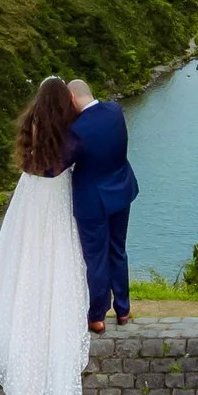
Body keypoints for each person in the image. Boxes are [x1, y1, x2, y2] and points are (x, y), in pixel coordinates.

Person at [0, 76, 92, 395]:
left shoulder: (32, 126)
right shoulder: (70, 133)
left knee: (25, 258)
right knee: (58, 258)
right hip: (55, 200)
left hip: (30, 199)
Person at [65, 77, 137, 331]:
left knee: (96, 258)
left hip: (92, 201)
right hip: (121, 191)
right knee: (118, 250)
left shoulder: (77, 130)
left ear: (72, 98)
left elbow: (60, 164)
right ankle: (123, 310)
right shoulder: (115, 112)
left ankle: (97, 316)